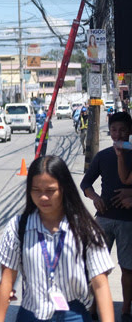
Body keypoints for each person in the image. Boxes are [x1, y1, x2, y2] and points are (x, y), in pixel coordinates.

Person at [0, 156, 114, 322]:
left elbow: (100, 285)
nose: (43, 197)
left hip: (74, 315)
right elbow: (6, 281)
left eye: (50, 190)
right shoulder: (17, 227)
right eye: (36, 190)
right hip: (31, 315)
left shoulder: (85, 229)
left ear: (64, 189)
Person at [81, 111, 132, 322]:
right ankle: (92, 308)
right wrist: (95, 198)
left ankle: (125, 311)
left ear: (129, 132)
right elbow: (85, 184)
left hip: (128, 221)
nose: (117, 134)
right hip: (103, 217)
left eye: (122, 130)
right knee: (96, 266)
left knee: (128, 268)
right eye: (113, 130)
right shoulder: (103, 156)